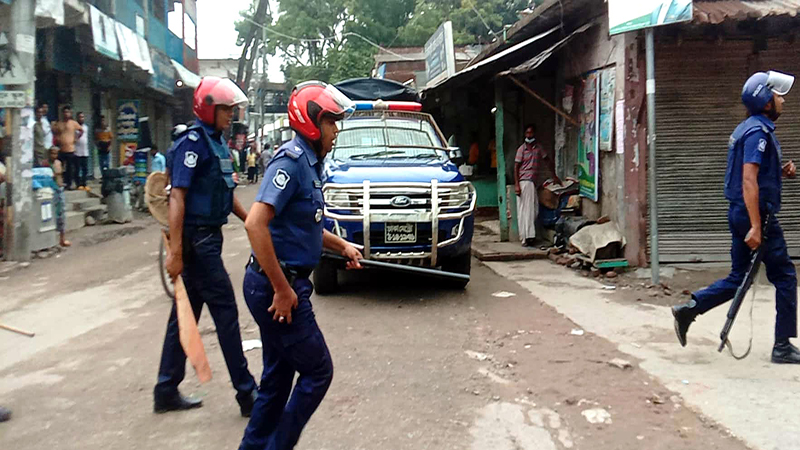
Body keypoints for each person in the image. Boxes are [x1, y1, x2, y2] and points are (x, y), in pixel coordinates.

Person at [238, 81, 363, 450]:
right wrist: (282, 289)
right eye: (331, 122)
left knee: (277, 378)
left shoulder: (310, 164)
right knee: (318, 370)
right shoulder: (291, 163)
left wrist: (342, 245)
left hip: (276, 285)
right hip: (276, 288)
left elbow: (305, 224)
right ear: (311, 121)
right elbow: (255, 223)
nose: (336, 130)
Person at [672, 71, 800, 364]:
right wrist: (756, 225)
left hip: (741, 212)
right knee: (785, 276)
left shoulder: (749, 128)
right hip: (755, 215)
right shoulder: (758, 133)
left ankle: (690, 308)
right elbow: (747, 181)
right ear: (766, 102)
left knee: (738, 277)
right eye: (778, 96)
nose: (782, 100)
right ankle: (782, 346)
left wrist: (781, 173)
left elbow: (756, 176)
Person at [155, 76, 258, 415]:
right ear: (208, 109)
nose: (231, 114)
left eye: (232, 109)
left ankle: (166, 389)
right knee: (226, 312)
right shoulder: (192, 143)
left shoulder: (218, 144)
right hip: (197, 241)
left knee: (184, 315)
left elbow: (226, 196)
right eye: (225, 109)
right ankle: (247, 394)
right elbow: (177, 198)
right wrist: (175, 252)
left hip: (208, 237)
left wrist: (252, 222)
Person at [514, 124, 558, 246]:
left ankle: (528, 235)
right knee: (526, 210)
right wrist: (517, 185)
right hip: (525, 182)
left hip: (532, 182)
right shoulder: (521, 149)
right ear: (525, 134)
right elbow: (516, 167)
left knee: (533, 210)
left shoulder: (538, 148)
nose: (529, 135)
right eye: (527, 133)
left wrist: (554, 175)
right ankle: (527, 237)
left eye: (531, 133)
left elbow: (547, 160)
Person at [53, 105, 82, 190]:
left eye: (68, 112)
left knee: (70, 168)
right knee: (59, 167)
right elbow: (55, 132)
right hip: (61, 149)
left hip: (70, 149)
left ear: (70, 113)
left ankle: (69, 184)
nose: (66, 114)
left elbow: (81, 130)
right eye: (64, 112)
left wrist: (76, 138)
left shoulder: (73, 123)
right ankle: (61, 182)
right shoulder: (59, 123)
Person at [49, 147, 71, 247]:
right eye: (52, 153)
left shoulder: (58, 163)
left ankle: (62, 238)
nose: (54, 156)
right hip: (50, 190)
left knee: (61, 213)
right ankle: (51, 239)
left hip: (58, 188)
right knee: (51, 214)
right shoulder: (45, 164)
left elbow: (59, 175)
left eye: (56, 153)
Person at [74, 112, 90, 191]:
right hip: (77, 151)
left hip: (85, 151)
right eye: (80, 117)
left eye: (83, 117)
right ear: (77, 118)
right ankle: (78, 184)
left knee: (85, 169)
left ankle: (84, 183)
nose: (81, 119)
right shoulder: (75, 128)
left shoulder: (86, 127)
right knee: (77, 169)